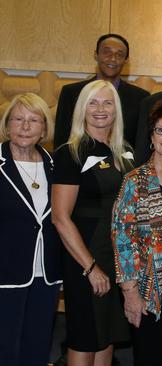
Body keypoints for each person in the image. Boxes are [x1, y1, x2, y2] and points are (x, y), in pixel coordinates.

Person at [52, 80, 133, 366]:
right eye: (93, 102)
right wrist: (90, 268)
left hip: (115, 260)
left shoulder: (123, 153)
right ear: (82, 109)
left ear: (116, 109)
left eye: (107, 102)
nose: (100, 109)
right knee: (85, 339)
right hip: (85, 260)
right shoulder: (70, 153)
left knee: (106, 337)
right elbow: (60, 218)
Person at [111, 99, 162, 365]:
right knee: (151, 358)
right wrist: (130, 293)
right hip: (147, 291)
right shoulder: (135, 180)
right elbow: (122, 239)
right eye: (161, 130)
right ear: (151, 136)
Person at [0, 93, 63, 365]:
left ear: (44, 128)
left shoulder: (56, 165)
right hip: (5, 271)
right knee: (5, 348)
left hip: (46, 273)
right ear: (7, 125)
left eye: (33, 120)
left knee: (37, 346)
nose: (25, 127)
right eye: (18, 119)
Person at [54, 33, 150, 148]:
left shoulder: (141, 98)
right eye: (107, 52)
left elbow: (142, 144)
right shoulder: (71, 93)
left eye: (119, 55)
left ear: (126, 60)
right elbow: (61, 140)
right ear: (96, 55)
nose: (113, 58)